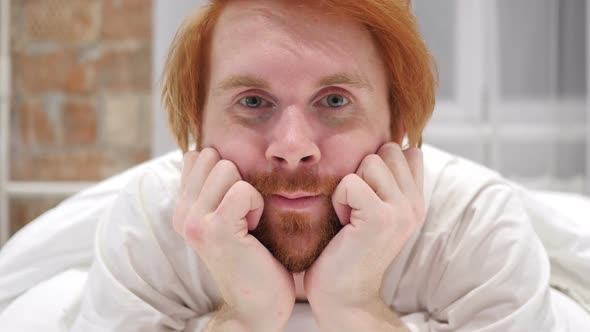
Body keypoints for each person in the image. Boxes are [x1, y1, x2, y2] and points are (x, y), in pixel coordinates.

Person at [71, 0, 560, 331]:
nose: (292, 147)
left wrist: (354, 306)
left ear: (398, 123)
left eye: (334, 99)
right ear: (196, 124)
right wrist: (245, 315)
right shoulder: (149, 228)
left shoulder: (474, 227)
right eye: (253, 101)